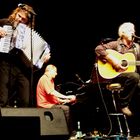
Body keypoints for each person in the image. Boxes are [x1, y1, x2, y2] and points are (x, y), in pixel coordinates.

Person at [0, 3, 51, 107]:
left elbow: (38, 57)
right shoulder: (5, 23)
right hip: (5, 64)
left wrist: (43, 59)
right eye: (19, 16)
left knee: (25, 101)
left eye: (23, 19)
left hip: (22, 68)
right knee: (3, 99)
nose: (19, 19)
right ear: (16, 13)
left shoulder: (28, 33)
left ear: (27, 22)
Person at [95, 22, 140, 116]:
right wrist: (113, 60)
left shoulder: (137, 47)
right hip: (116, 75)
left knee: (135, 76)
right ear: (122, 33)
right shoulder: (115, 44)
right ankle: (123, 104)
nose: (133, 32)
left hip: (130, 76)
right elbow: (98, 49)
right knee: (134, 76)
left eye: (133, 30)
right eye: (130, 30)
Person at [36, 64, 77, 139]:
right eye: (55, 71)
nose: (56, 73)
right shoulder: (45, 79)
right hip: (44, 106)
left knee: (66, 107)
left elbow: (52, 97)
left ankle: (67, 132)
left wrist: (63, 101)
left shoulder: (50, 80)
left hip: (49, 104)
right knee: (66, 109)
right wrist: (67, 96)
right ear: (50, 71)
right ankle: (70, 134)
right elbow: (52, 92)